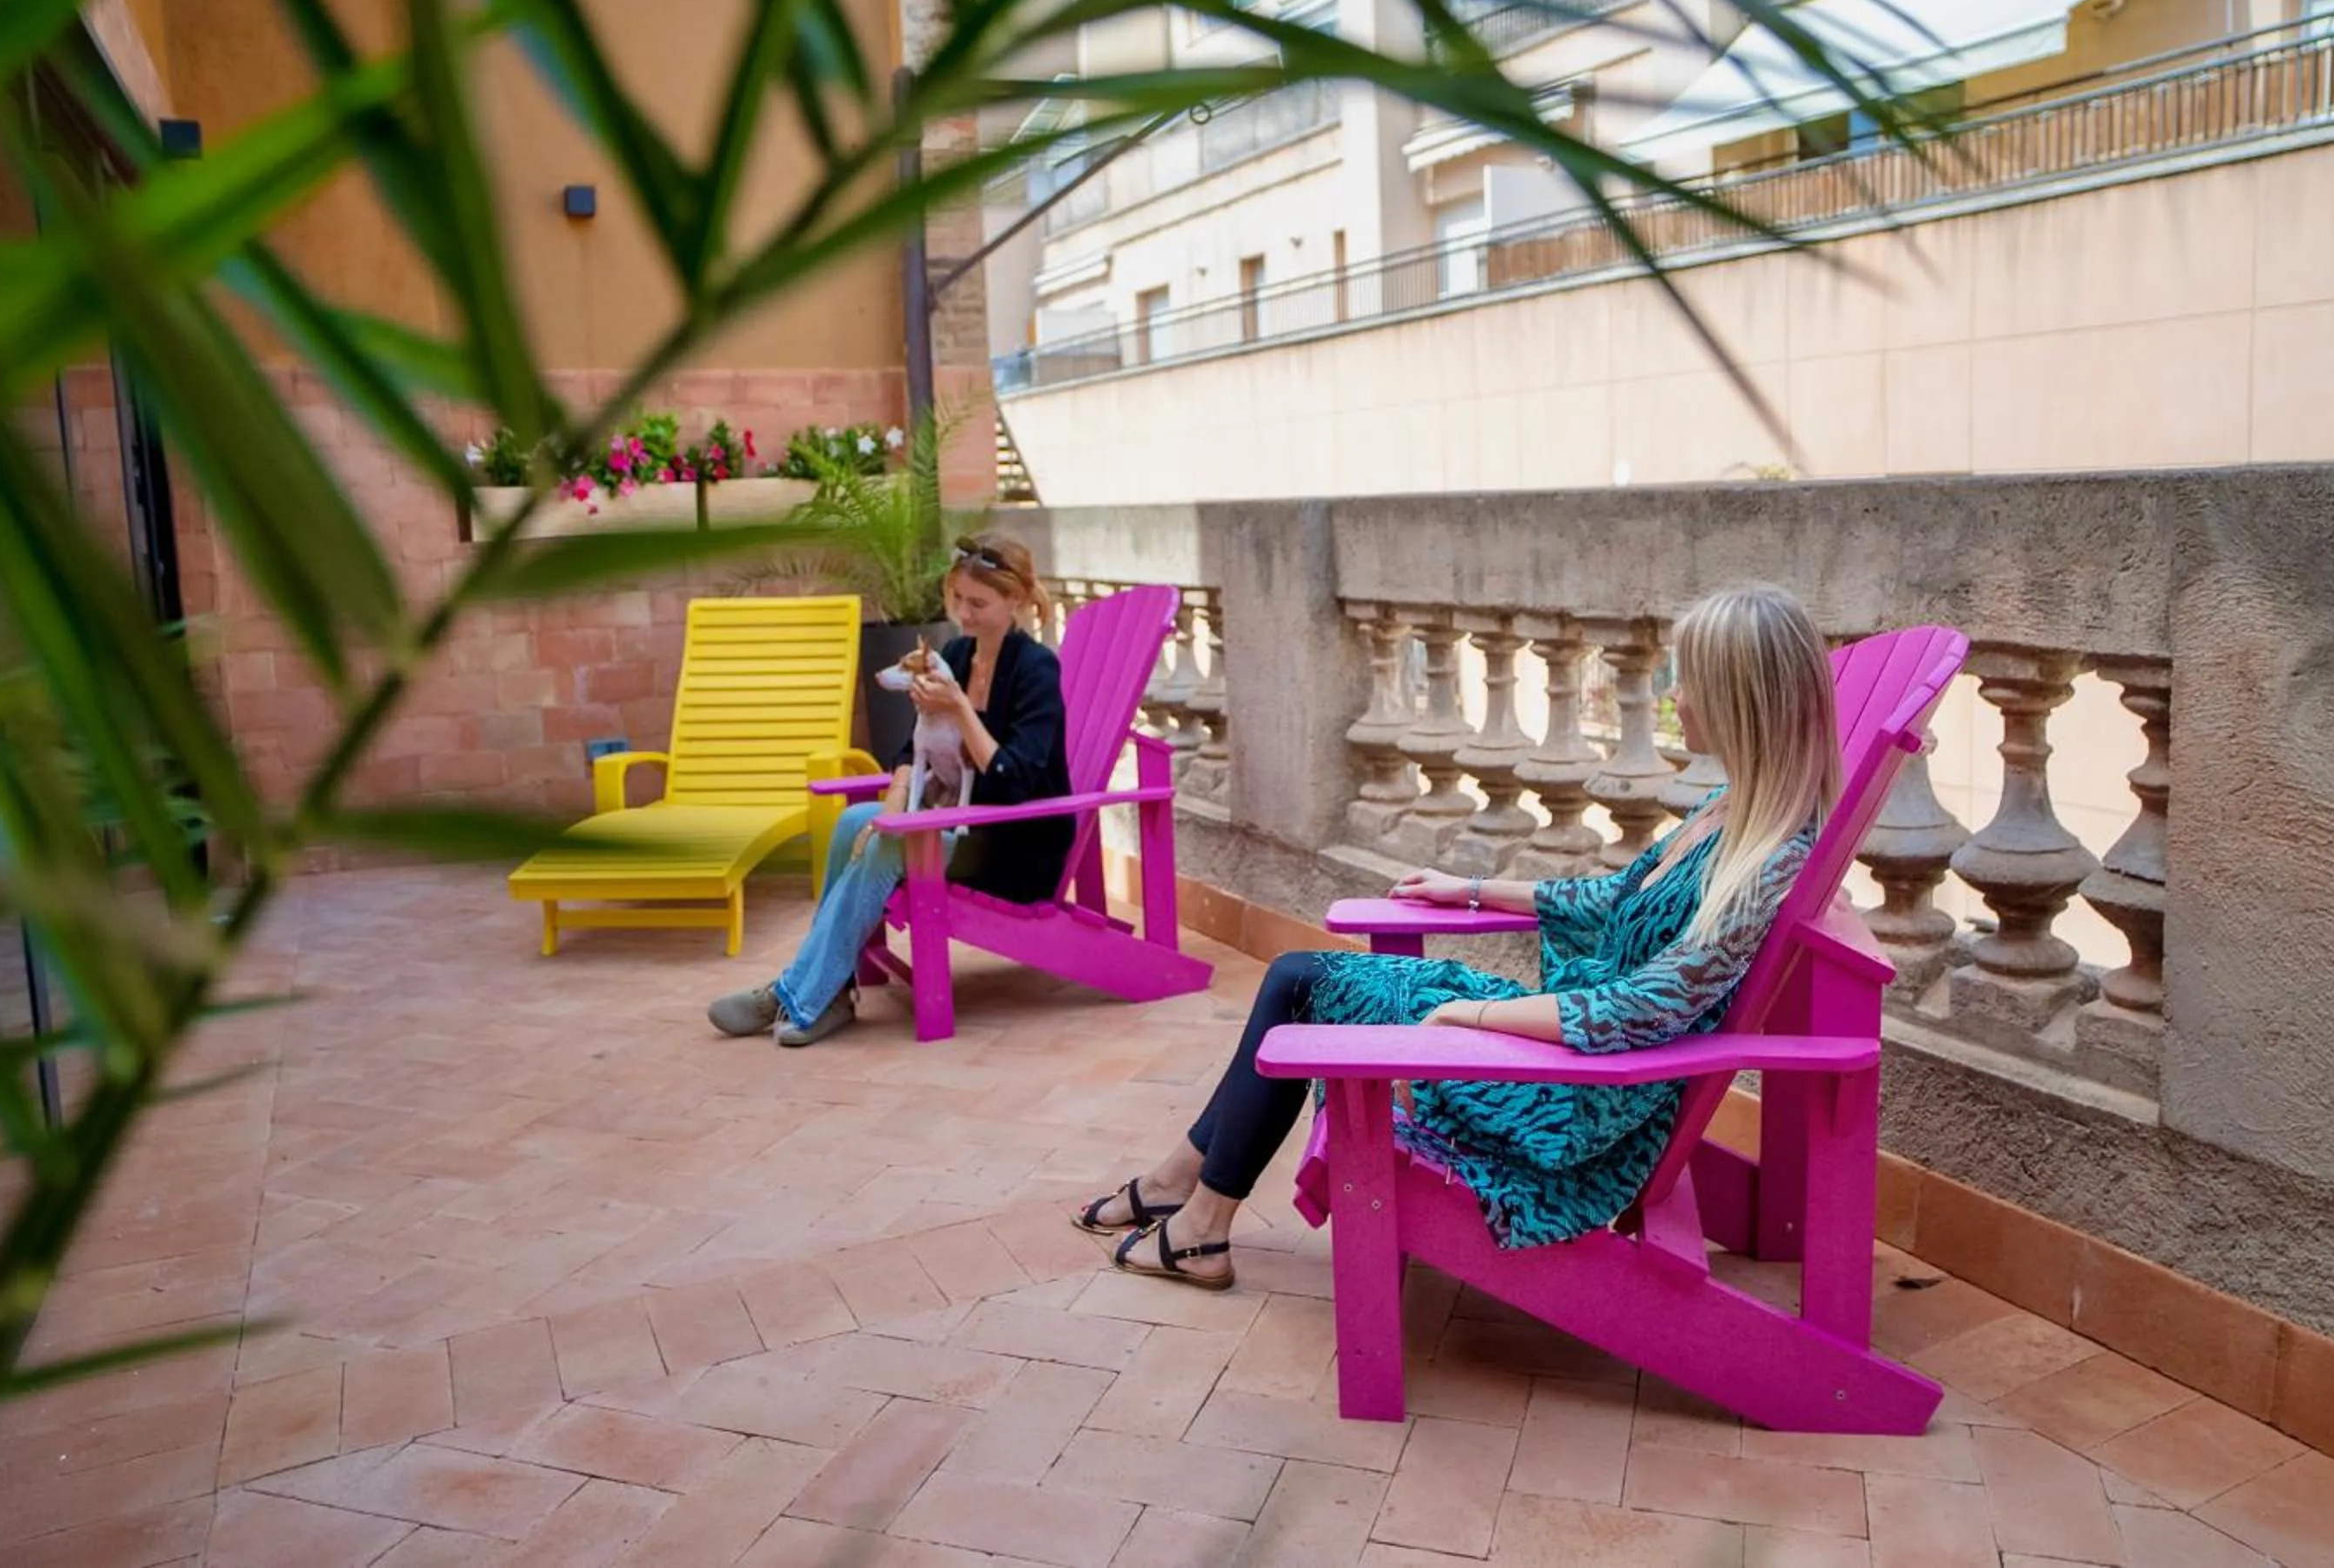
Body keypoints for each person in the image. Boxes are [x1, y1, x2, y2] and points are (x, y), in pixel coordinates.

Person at [1074, 583, 1839, 1289]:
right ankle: (1188, 1190)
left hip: (1579, 1104)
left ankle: (1200, 1216)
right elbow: (1614, 897)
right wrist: (1469, 891)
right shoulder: (1725, 810)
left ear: (1741, 699)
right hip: (1565, 1051)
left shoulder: (1769, 861)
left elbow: (1639, 1010)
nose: (1675, 694)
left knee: (1304, 987)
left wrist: (1468, 1016)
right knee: (1300, 979)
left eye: (1691, 678)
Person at [708, 534, 1073, 1045]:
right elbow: (910, 751)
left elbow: (1015, 780)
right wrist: (893, 806)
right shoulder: (957, 654)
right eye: (957, 599)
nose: (963, 615)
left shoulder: (1035, 669)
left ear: (1015, 600)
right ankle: (829, 992)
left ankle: (801, 995)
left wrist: (960, 709)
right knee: (853, 822)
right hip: (958, 826)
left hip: (1012, 845)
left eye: (978, 603)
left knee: (890, 846)